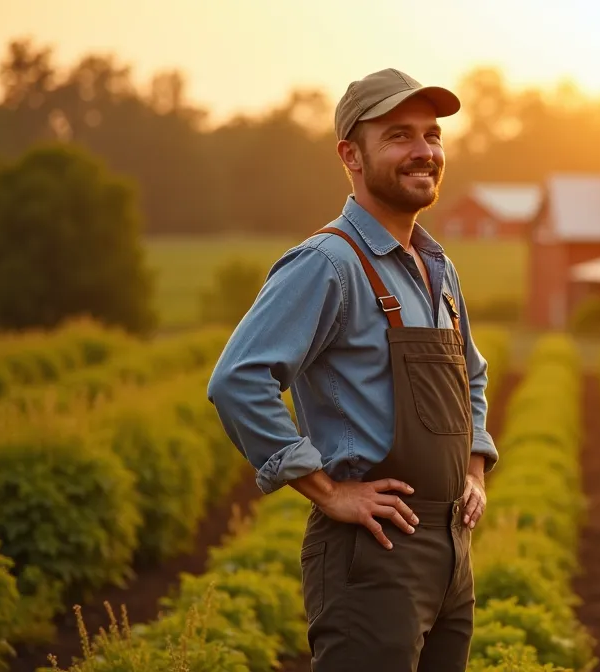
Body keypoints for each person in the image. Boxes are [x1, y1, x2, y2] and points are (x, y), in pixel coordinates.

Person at [206, 67, 498, 671]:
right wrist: (328, 491)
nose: (424, 151)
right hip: (373, 558)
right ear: (351, 155)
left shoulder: (437, 268)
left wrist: (474, 469)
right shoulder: (328, 262)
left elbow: (470, 374)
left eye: (432, 135)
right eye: (398, 136)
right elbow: (238, 379)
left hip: (449, 553)